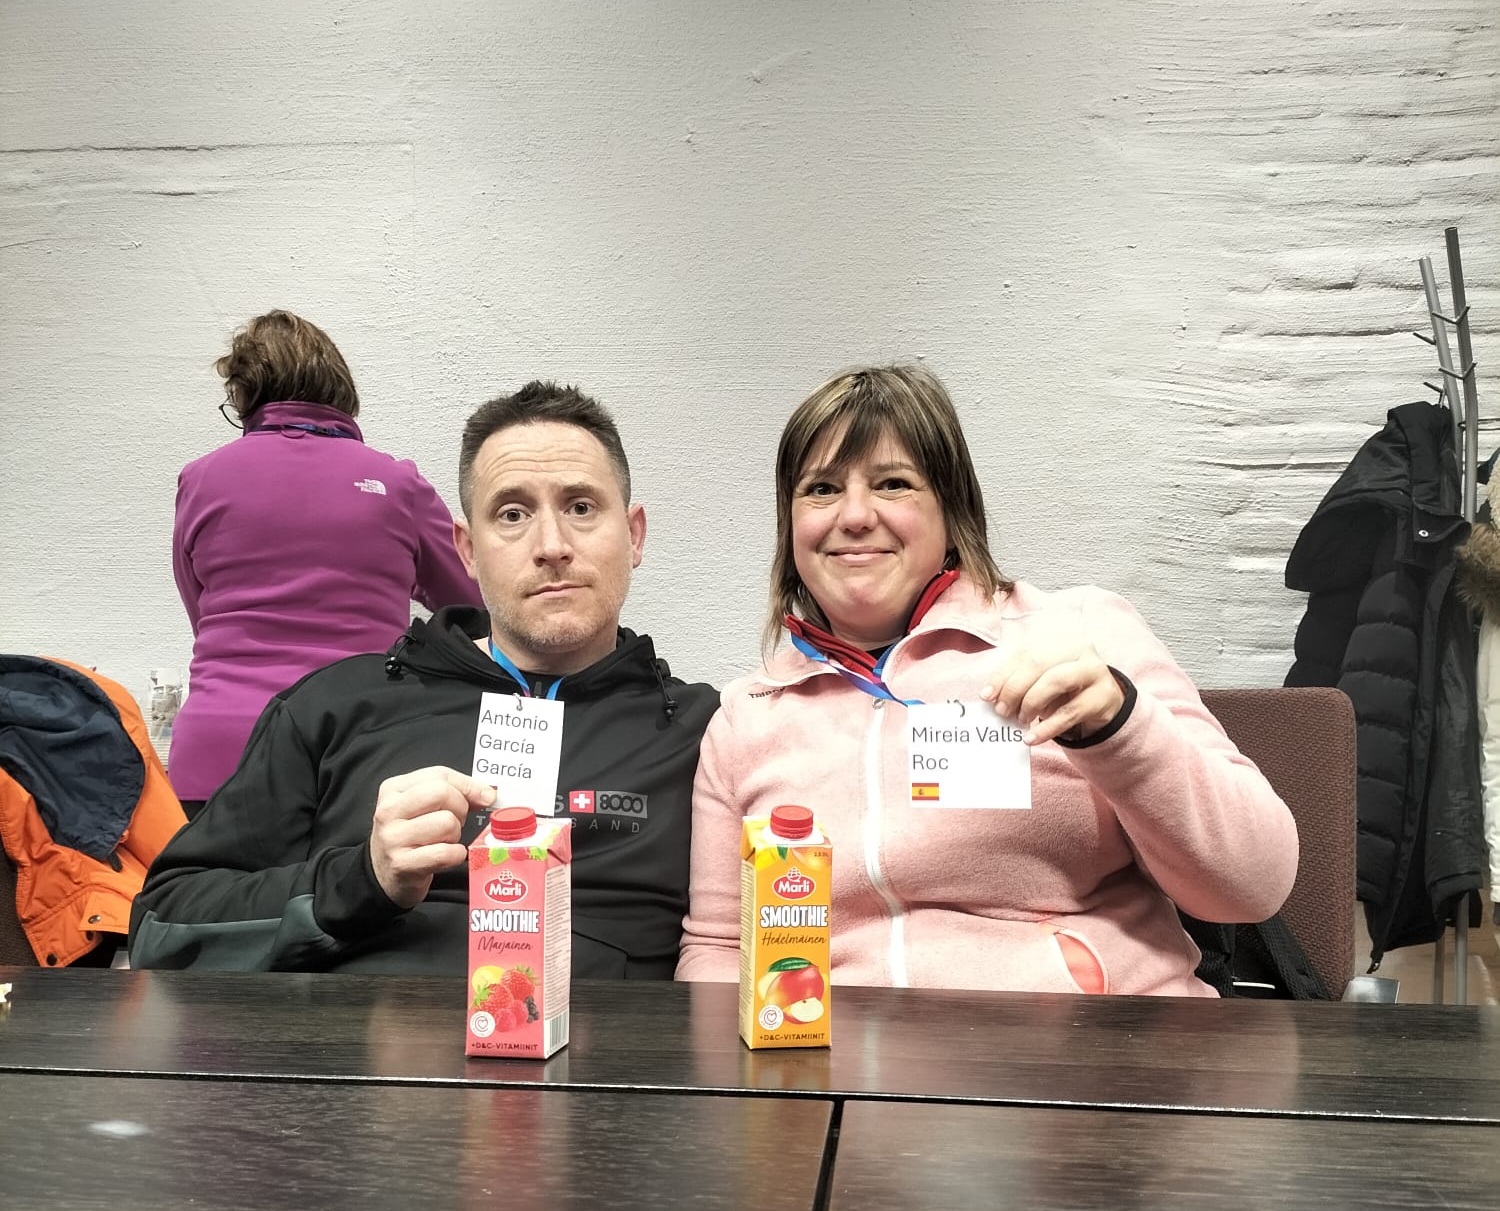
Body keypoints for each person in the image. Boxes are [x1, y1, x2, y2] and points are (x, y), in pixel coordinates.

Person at [677, 364, 1297, 998]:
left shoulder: (1078, 634)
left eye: (893, 484)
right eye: (822, 489)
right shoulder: (748, 714)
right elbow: (720, 948)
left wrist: (1119, 729)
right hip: (845, 1052)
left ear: (952, 509)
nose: (855, 515)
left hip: (1094, 1042)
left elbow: (1254, 885)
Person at [131, 382, 718, 976]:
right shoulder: (335, 708)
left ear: (634, 534)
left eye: (581, 508)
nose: (551, 546)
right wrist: (361, 878)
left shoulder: (707, 735)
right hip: (359, 1034)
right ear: (467, 551)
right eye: (512, 514)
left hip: (602, 1036)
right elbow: (161, 925)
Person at [167, 310, 482, 809]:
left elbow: (200, 611)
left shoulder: (200, 479)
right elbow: (473, 606)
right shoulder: (397, 484)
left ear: (245, 397)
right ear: (339, 388)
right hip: (358, 749)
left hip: (218, 752)